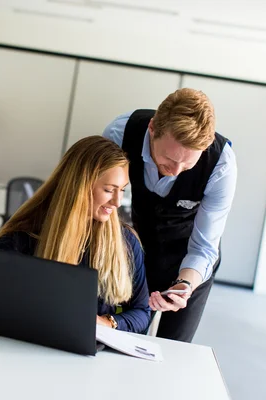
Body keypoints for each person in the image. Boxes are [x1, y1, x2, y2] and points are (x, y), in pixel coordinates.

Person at [103, 88, 237, 343]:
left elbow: (205, 246)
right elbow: (98, 197)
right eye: (168, 158)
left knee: (173, 346)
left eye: (187, 165)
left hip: (190, 259)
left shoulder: (222, 165)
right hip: (136, 250)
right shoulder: (119, 134)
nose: (175, 172)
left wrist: (184, 286)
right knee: (119, 337)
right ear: (153, 128)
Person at [0, 136, 151, 334]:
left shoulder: (126, 242)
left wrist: (107, 323)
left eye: (123, 190)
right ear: (80, 187)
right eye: (109, 190)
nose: (117, 202)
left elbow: (142, 312)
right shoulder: (23, 237)